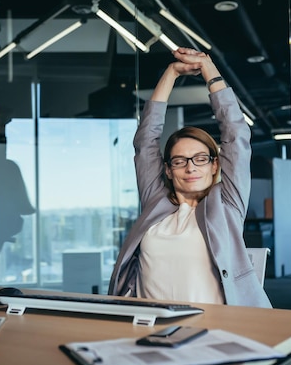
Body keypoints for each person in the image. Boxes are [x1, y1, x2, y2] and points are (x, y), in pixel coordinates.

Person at [107, 47, 272, 308]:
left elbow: (236, 135)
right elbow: (145, 142)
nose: (190, 168)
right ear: (169, 170)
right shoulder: (156, 202)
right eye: (180, 161)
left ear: (214, 165)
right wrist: (171, 73)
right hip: (149, 329)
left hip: (214, 330)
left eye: (200, 158)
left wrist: (209, 69)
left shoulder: (227, 203)